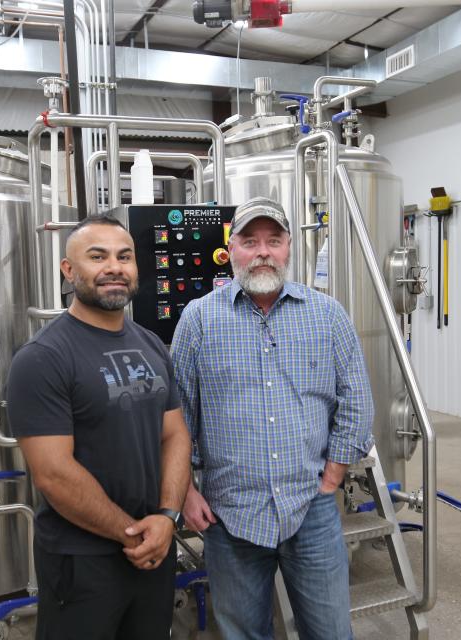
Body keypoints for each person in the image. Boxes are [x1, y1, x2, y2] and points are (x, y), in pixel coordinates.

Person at [170, 196, 375, 640]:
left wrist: (333, 475)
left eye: (273, 240)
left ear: (288, 249)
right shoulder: (199, 320)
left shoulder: (327, 316)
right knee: (242, 633)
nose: (262, 251)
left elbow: (356, 400)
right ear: (232, 250)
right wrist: (184, 490)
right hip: (229, 514)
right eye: (249, 241)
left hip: (312, 508)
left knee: (330, 632)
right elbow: (176, 418)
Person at [6, 214, 192, 640]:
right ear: (69, 271)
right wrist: (134, 534)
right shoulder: (42, 358)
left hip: (153, 550)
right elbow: (54, 474)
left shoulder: (149, 344)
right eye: (97, 256)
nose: (114, 267)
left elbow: (175, 435)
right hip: (82, 560)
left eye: (124, 256)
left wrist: (166, 517)